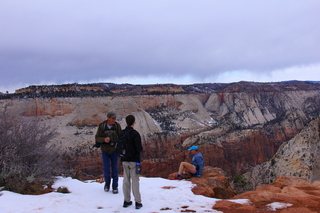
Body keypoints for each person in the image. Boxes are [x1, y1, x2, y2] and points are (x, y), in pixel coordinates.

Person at [95, 111, 121, 194]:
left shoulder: (117, 126)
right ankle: (107, 184)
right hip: (105, 150)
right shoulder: (102, 126)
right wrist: (103, 140)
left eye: (115, 118)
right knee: (106, 168)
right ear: (108, 118)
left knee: (115, 169)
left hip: (114, 150)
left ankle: (115, 186)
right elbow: (97, 137)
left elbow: (121, 137)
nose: (114, 120)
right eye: (112, 118)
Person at [121, 115, 143, 209]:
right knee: (135, 181)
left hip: (124, 160)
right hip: (134, 161)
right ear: (133, 122)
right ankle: (138, 202)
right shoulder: (135, 134)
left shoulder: (122, 133)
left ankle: (126, 201)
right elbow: (139, 148)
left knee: (126, 180)